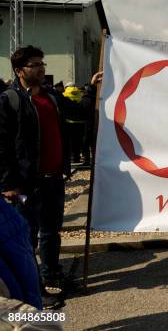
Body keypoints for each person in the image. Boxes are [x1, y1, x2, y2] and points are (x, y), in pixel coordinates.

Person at [0, 46, 102, 297]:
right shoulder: (9, 100)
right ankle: (31, 287)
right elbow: (1, 146)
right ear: (19, 71)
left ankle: (51, 276)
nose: (41, 68)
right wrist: (8, 184)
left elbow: (78, 112)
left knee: (51, 232)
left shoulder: (51, 96)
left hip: (54, 178)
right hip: (26, 183)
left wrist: (91, 89)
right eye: (34, 64)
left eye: (41, 63)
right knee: (27, 237)